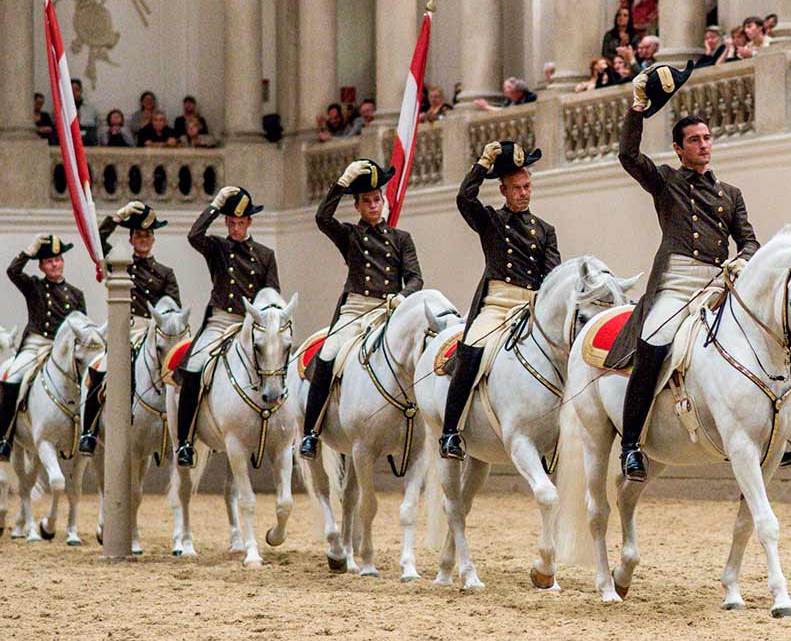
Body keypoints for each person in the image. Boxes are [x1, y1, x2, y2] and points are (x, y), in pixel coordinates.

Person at [608, 65, 761, 481]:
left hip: (718, 285)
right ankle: (631, 445)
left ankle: (770, 432)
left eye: (707, 138)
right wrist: (637, 110)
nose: (704, 145)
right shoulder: (665, 182)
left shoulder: (731, 194)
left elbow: (749, 240)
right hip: (677, 285)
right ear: (678, 148)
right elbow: (628, 155)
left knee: (759, 340)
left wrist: (744, 258)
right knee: (654, 344)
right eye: (694, 140)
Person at [439, 141, 560, 460]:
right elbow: (464, 198)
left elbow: (554, 274)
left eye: (527, 186)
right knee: (473, 349)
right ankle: (451, 431)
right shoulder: (490, 220)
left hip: (531, 307)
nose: (523, 193)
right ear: (504, 191)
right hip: (497, 305)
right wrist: (481, 164)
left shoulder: (545, 230)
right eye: (516, 188)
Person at [298, 159, 423, 461]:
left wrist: (402, 297)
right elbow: (322, 218)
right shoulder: (350, 235)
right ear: (357, 206)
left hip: (389, 311)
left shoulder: (401, 238)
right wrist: (340, 184)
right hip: (355, 311)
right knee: (327, 356)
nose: (372, 205)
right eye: (366, 201)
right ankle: (311, 433)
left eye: (376, 199)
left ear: (384, 201)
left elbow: (416, 278)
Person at [179, 187, 279, 467]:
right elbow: (193, 236)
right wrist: (215, 203)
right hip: (220, 322)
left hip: (250, 325)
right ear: (226, 223)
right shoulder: (217, 247)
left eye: (241, 222)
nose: (236, 228)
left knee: (276, 361)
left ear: (249, 222)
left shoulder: (265, 254)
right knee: (194, 369)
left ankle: (281, 431)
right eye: (231, 223)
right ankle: (185, 441)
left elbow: (272, 295)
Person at [77, 202, 180, 457]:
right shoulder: (120, 263)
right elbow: (97, 239)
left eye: (147, 235)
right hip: (127, 330)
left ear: (153, 239)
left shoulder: (166, 273)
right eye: (138, 235)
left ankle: (184, 434)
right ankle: (89, 431)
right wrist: (117, 217)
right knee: (100, 370)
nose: (143, 240)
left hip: (155, 333)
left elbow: (173, 307)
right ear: (132, 239)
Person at [0, 235, 87, 460]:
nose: (54, 264)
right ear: (42, 266)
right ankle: (5, 439)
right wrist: (29, 250)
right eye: (48, 261)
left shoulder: (76, 294)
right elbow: (12, 272)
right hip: (36, 345)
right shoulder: (34, 286)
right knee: (12, 378)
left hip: (62, 350)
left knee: (88, 378)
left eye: (57, 259)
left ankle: (89, 433)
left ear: (62, 262)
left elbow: (81, 327)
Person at [70, 79, 98, 145]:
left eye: (76, 89)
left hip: (87, 133)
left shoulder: (91, 108)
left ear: (81, 90)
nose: (74, 92)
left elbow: (96, 124)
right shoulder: (62, 108)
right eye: (71, 90)